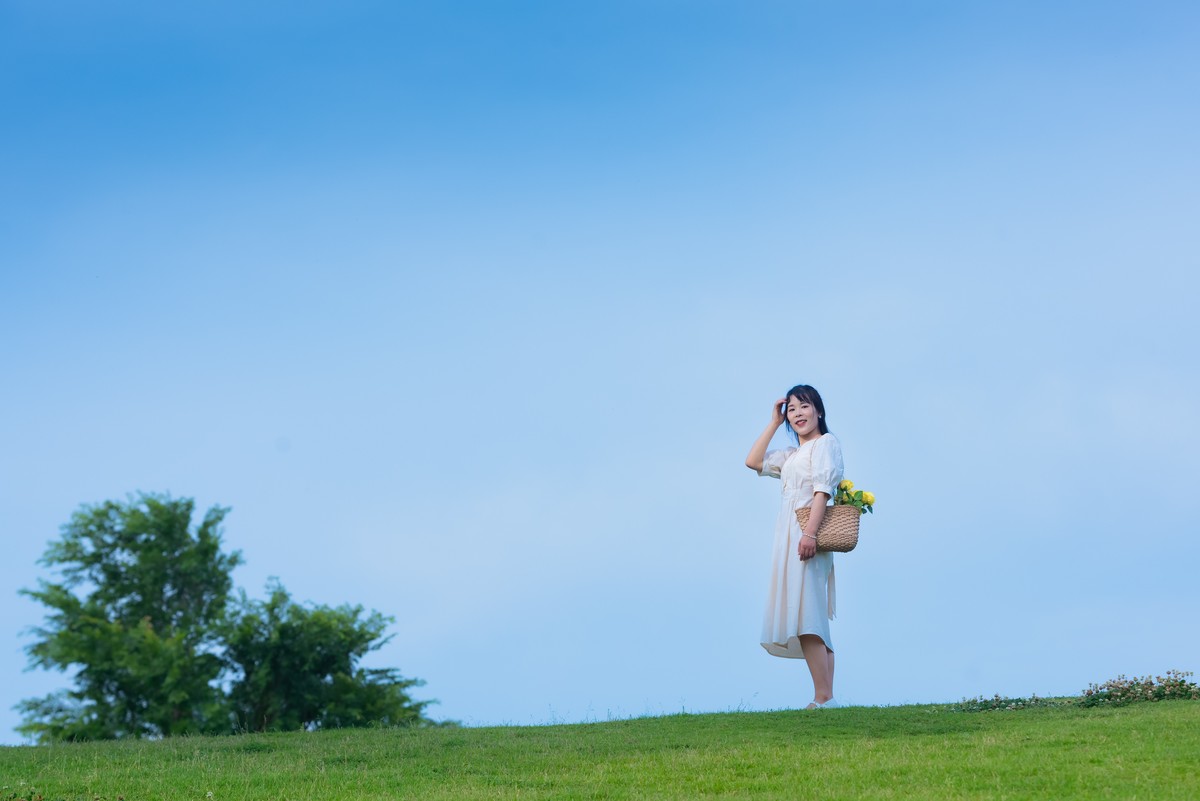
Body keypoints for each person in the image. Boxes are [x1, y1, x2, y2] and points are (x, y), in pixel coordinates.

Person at [745, 384, 845, 710]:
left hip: (807, 535)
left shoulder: (825, 444)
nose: (798, 414)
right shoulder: (791, 455)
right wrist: (774, 422)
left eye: (804, 406)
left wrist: (811, 535)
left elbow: (822, 491)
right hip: (790, 537)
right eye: (792, 409)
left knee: (807, 616)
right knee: (807, 613)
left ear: (819, 411)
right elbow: (752, 461)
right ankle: (826, 697)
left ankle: (823, 697)